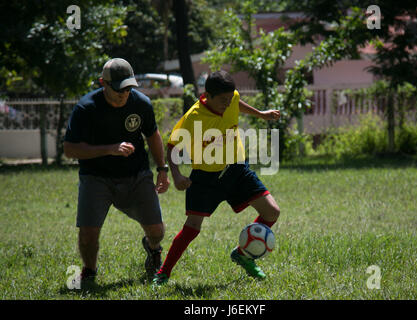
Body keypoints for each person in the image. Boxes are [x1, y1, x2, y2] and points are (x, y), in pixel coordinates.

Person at [152, 70, 281, 285]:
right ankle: (163, 273)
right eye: (222, 100)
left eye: (229, 99)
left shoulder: (232, 98)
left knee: (271, 212)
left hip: (236, 169)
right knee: (192, 228)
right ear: (207, 95)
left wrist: (262, 114)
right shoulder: (194, 117)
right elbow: (173, 144)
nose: (227, 103)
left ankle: (242, 254)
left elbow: (237, 103)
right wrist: (175, 175)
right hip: (205, 178)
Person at [64, 58, 170, 285]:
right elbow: (69, 149)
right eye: (119, 88)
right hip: (96, 177)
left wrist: (162, 169)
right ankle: (90, 271)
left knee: (157, 231)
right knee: (88, 235)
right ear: (103, 83)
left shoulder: (141, 104)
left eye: (129, 87)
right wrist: (109, 149)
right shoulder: (86, 107)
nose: (124, 93)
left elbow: (153, 135)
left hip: (136, 175)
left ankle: (153, 250)